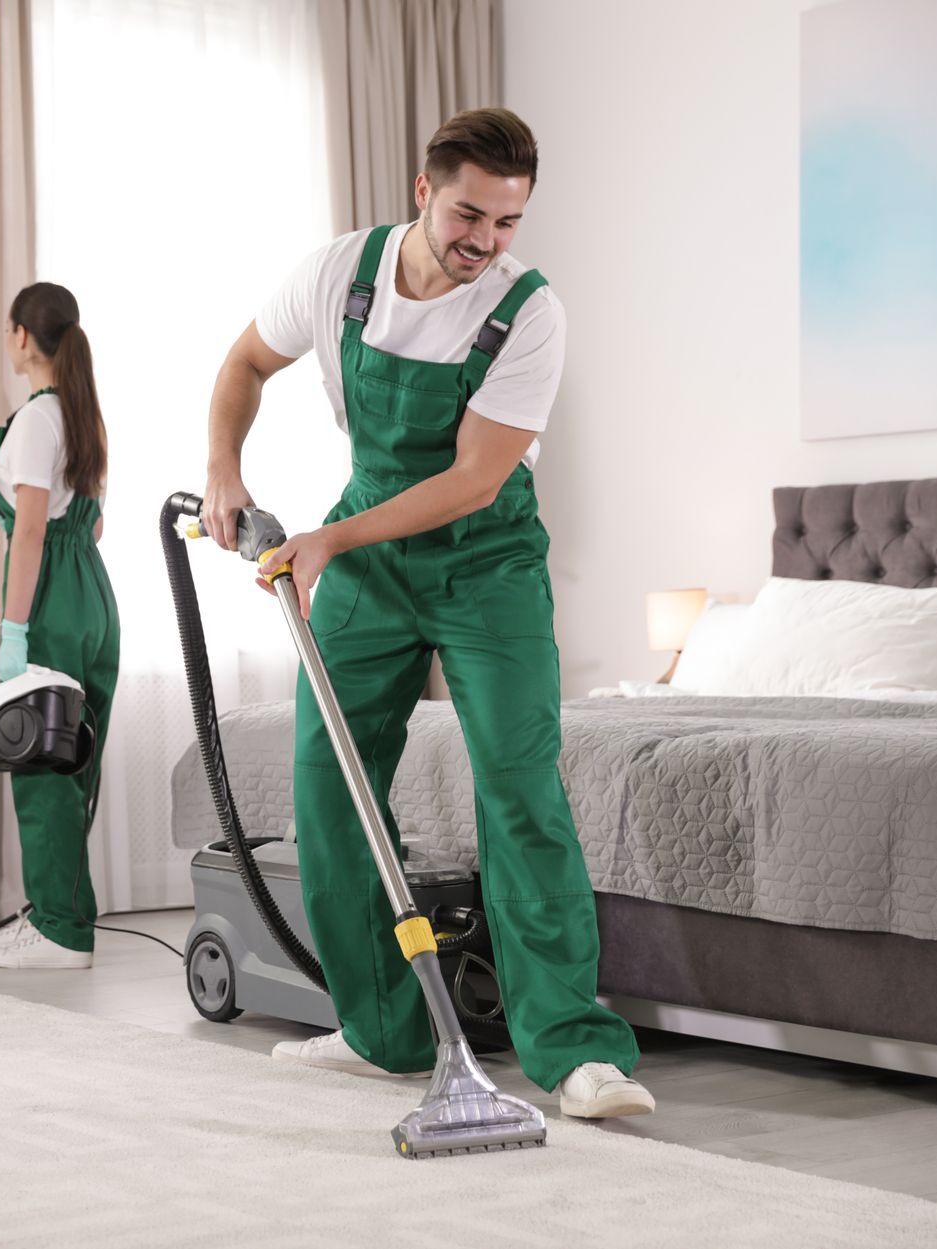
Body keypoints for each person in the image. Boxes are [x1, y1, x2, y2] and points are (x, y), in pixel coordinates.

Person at [201, 108, 653, 1118]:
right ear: (421, 191)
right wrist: (223, 467)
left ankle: (573, 1050)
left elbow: (472, 480)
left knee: (517, 780)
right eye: (468, 215)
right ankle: (381, 1030)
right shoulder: (334, 274)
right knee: (328, 776)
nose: (485, 242)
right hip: (369, 550)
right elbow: (242, 365)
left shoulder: (530, 311)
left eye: (507, 222)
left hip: (483, 562)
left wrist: (328, 541)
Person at [0, 282, 121, 971]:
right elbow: (90, 521)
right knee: (72, 762)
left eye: (8, 331)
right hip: (93, 591)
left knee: (39, 762)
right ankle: (56, 912)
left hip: (56, 596)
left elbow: (30, 531)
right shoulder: (81, 412)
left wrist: (14, 631)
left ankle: (63, 932)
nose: (6, 342)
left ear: (24, 338)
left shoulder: (37, 419)